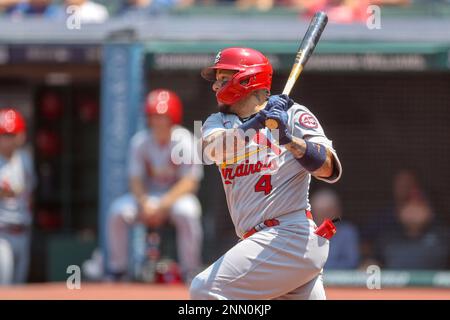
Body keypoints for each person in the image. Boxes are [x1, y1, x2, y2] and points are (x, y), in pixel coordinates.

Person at [190, 47, 342, 300]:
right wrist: (258, 121)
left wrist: (290, 140)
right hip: (260, 243)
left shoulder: (293, 115)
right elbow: (215, 150)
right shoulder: (217, 122)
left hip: (291, 234)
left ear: (248, 79)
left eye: (223, 78)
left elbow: (329, 169)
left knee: (205, 289)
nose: (216, 86)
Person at [106, 89, 203, 283]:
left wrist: (163, 204)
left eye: (163, 117)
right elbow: (135, 180)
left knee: (188, 212)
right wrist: (145, 203)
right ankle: (118, 270)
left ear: (173, 118)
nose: (158, 122)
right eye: (154, 117)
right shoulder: (140, 142)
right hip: (147, 198)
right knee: (117, 212)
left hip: (174, 199)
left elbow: (190, 182)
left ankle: (190, 270)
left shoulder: (185, 140)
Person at [0, 108, 35, 285]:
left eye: (12, 135)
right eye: (4, 135)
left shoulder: (25, 159)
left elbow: (29, 193)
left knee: (19, 285)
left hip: (22, 230)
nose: (8, 140)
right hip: (2, 234)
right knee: (4, 284)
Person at [374, 199, 449, 269]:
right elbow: (374, 262)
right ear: (399, 212)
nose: (413, 213)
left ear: (430, 212)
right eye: (408, 207)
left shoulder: (443, 237)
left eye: (418, 207)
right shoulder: (387, 238)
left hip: (434, 282)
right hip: (394, 282)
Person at [310, 188, 359, 269]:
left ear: (338, 211)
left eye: (328, 211)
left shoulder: (347, 233)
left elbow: (352, 262)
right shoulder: (306, 233)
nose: (324, 216)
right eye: (320, 212)